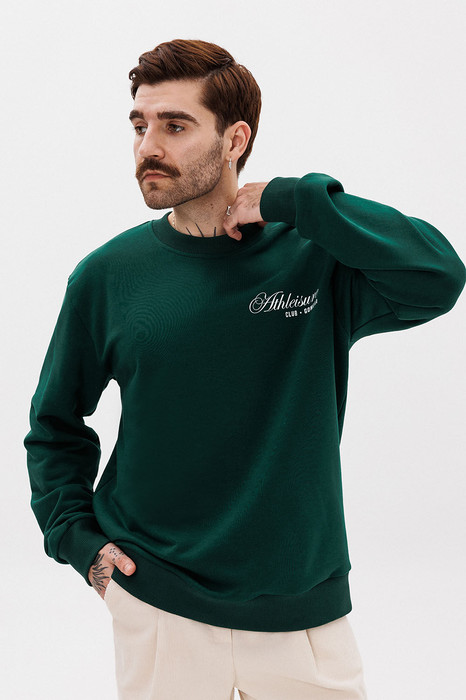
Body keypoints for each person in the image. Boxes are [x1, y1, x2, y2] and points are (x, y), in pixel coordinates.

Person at [24, 38, 466, 700]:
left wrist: (296, 200)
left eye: (175, 126)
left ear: (235, 139)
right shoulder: (107, 276)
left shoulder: (314, 257)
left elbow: (438, 275)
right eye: (140, 125)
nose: (148, 147)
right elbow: (55, 424)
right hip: (159, 605)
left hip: (305, 618)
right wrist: (78, 541)